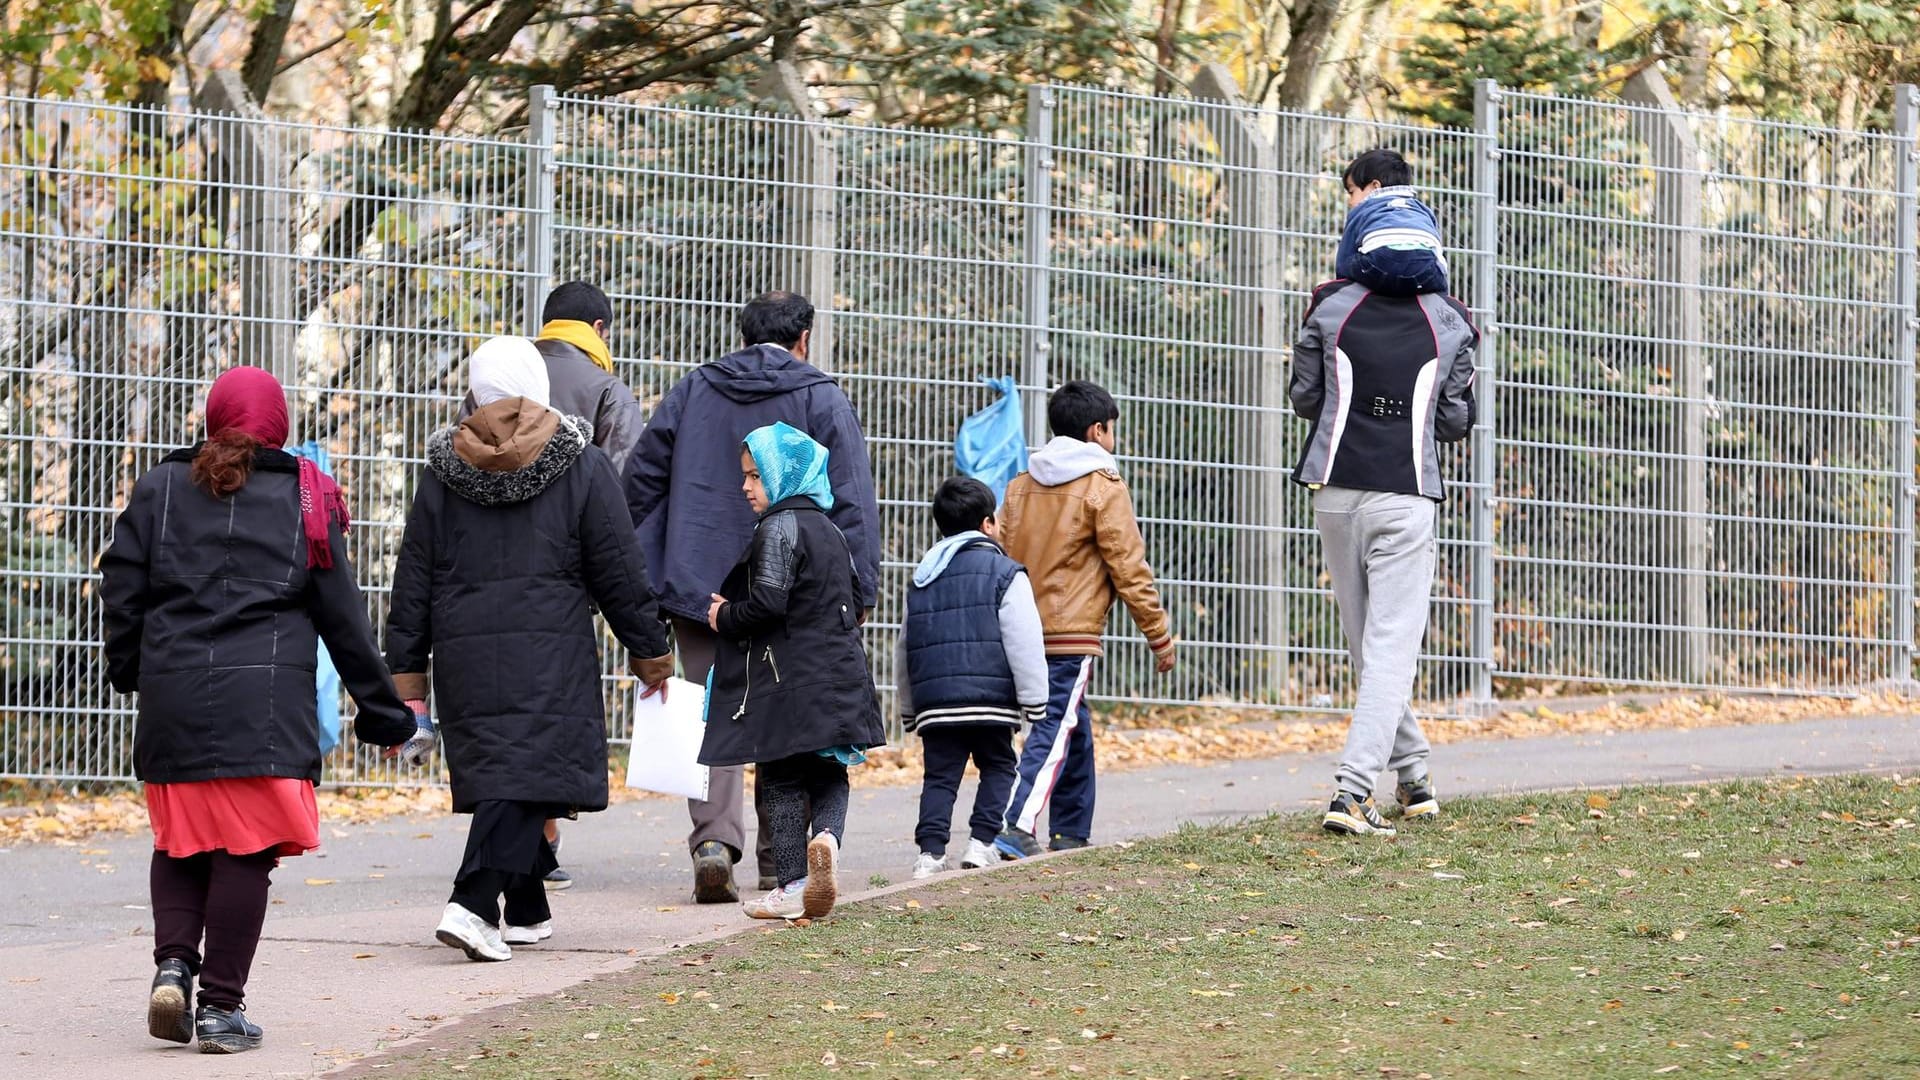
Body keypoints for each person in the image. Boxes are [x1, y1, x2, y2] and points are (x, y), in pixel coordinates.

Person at [99, 365, 418, 1054]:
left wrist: (131, 671)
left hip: (174, 701)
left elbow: (122, 589)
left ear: (213, 417)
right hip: (264, 709)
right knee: (246, 852)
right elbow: (343, 618)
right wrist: (383, 711)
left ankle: (174, 967)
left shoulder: (159, 488)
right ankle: (220, 1008)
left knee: (179, 843)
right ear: (280, 425)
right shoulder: (306, 499)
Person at [386, 337, 673, 961]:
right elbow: (620, 573)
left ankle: (525, 906)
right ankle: (471, 903)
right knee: (527, 773)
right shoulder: (583, 465)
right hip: (551, 655)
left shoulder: (443, 472)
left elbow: (413, 581)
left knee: (507, 771)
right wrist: (651, 654)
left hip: (463, 657)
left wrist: (409, 679)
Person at [625, 291, 880, 903]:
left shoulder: (693, 390)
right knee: (783, 711)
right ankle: (779, 862)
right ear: (804, 338)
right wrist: (859, 585)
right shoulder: (821, 395)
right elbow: (849, 496)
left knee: (716, 709)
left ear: (744, 336)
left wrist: (643, 566)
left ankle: (714, 841)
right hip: (797, 593)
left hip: (699, 584)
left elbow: (640, 481)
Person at [461, 281, 647, 891]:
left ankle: (534, 845)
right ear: (599, 328)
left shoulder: (492, 377)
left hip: (486, 568)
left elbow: (468, 459)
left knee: (506, 695)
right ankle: (529, 847)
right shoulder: (609, 392)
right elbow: (621, 491)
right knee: (556, 697)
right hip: (569, 568)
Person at [1289, 259, 1479, 837]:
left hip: (1336, 493)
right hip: (1406, 493)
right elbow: (1453, 419)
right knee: (1391, 649)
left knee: (1367, 646)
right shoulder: (1451, 318)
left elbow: (1304, 397)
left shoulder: (1331, 303)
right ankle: (1351, 792)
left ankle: (1415, 776)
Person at [700, 422, 885, 920]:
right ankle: (826, 838)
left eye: (756, 477)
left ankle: (792, 884)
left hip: (786, 679)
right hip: (840, 675)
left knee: (780, 779)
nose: (746, 487)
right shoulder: (832, 530)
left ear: (783, 476)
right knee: (830, 773)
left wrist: (724, 616)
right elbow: (854, 599)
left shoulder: (778, 527)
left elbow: (767, 603)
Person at [992, 381, 1176, 860]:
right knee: (1054, 724)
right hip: (1071, 632)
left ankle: (1070, 829)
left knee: (1075, 723)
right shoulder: (1103, 486)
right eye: (1111, 431)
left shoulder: (1019, 486)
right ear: (1097, 431)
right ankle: (1014, 823)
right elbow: (1129, 567)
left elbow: (1001, 557)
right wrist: (1158, 633)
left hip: (1022, 628)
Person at [894, 478, 1046, 879]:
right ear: (988, 524)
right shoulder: (1006, 572)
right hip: (991, 701)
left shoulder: (922, 577)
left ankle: (929, 853)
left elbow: (905, 645)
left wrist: (909, 708)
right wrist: (1035, 700)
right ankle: (981, 843)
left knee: (940, 776)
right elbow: (1024, 638)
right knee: (999, 766)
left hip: (937, 702)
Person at [1335, 147, 1449, 298]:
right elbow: (1437, 252)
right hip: (1424, 268)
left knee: (1352, 264)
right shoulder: (1422, 210)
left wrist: (1340, 287)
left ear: (1375, 186)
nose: (1350, 202)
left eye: (1352, 192)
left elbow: (1344, 259)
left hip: (1379, 263)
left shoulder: (1364, 209)